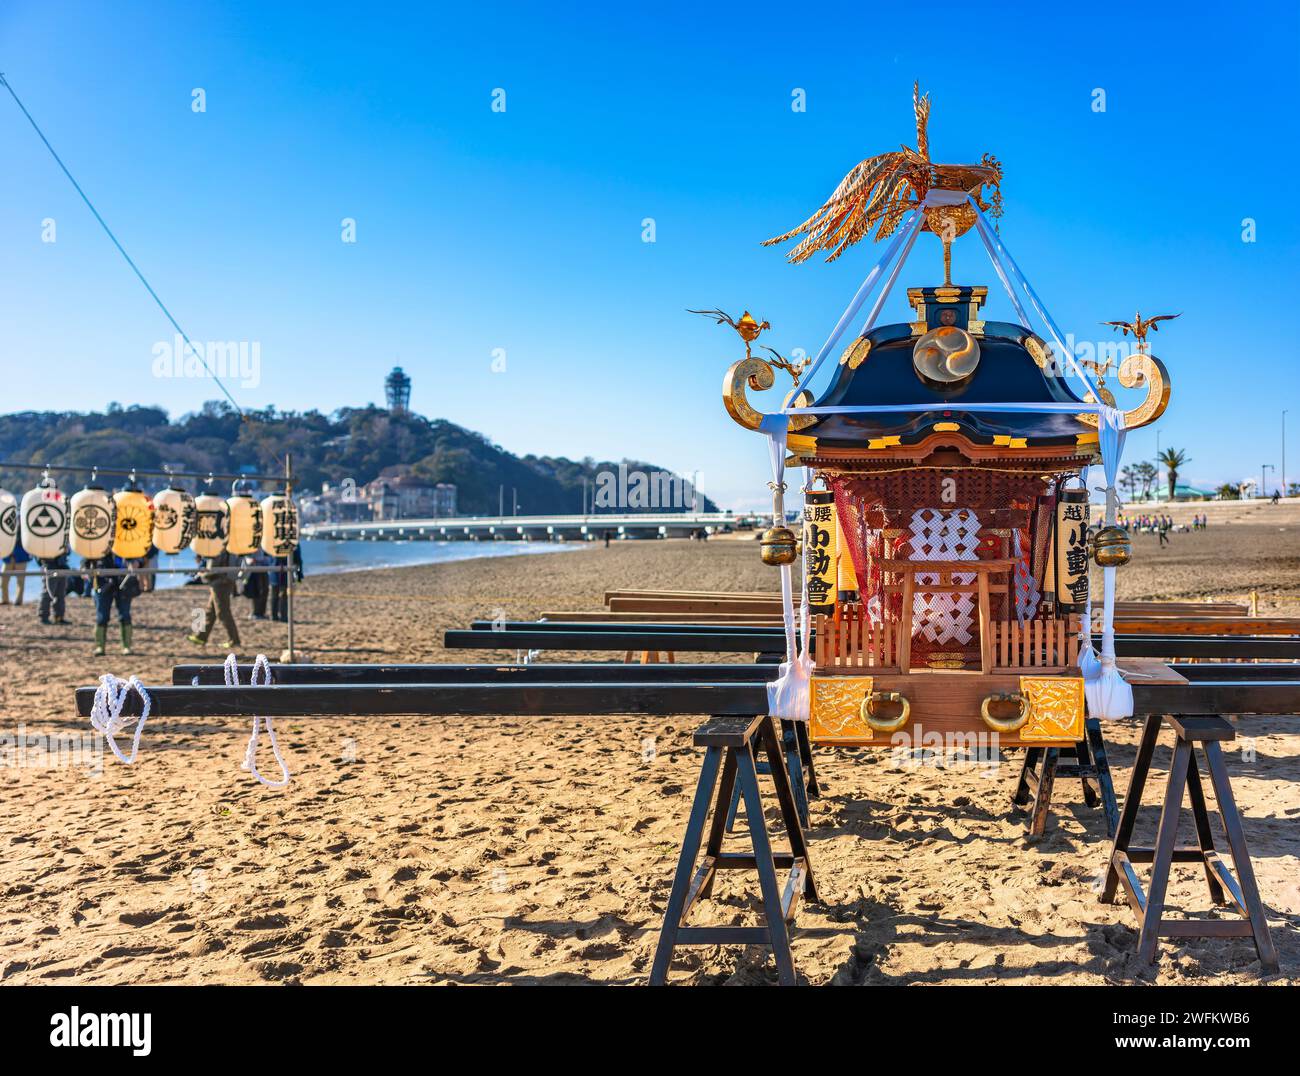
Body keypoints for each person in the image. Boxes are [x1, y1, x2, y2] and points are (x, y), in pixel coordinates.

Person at [86, 552, 142, 655]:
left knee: (124, 615)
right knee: (101, 616)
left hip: (123, 582)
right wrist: (85, 568)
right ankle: (100, 647)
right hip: (102, 583)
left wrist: (137, 562)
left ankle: (126, 646)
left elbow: (138, 553)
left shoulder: (125, 542)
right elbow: (87, 556)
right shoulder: (99, 542)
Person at [188, 549, 242, 648]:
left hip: (220, 581)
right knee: (210, 611)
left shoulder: (220, 547)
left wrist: (202, 574)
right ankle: (201, 637)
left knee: (222, 612)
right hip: (222, 580)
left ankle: (234, 640)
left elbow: (213, 566)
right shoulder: (228, 546)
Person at [268, 546, 303, 623]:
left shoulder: (272, 542)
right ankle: (282, 616)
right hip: (283, 573)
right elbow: (298, 560)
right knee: (283, 595)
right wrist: (299, 574)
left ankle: (275, 616)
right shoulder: (293, 542)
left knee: (276, 595)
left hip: (275, 571)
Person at [38, 551, 70, 625]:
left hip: (61, 566)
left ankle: (59, 617)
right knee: (48, 593)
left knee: (61, 594)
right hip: (50, 566)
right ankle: (43, 617)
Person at [242, 549, 270, 620]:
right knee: (256, 591)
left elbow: (267, 555)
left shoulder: (265, 543)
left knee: (264, 590)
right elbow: (246, 555)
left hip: (264, 568)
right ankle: (256, 612)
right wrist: (251, 560)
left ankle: (261, 612)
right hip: (254, 570)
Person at [1, 537, 30, 606]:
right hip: (8, 557)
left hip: (21, 557)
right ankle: (5, 600)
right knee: (3, 581)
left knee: (20, 581)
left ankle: (18, 601)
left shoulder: (22, 527)